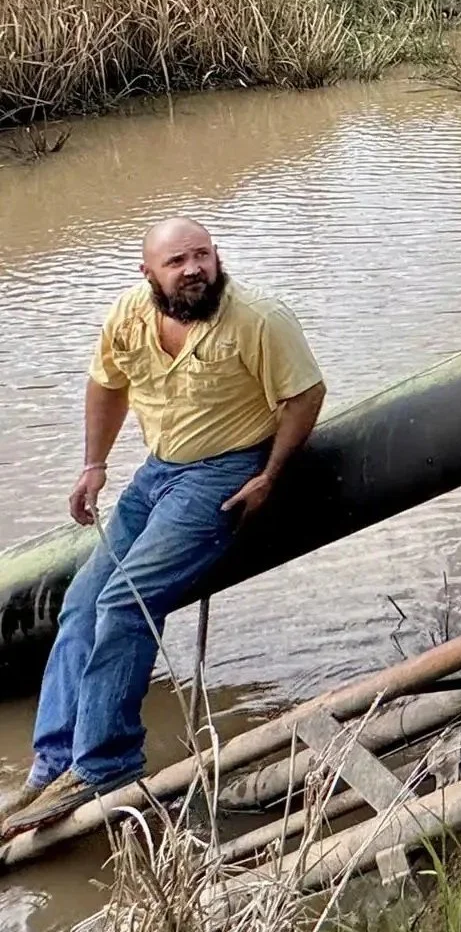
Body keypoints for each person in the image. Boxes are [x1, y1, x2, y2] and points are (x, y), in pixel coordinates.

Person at [1, 219, 325, 836]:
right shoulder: (130, 315)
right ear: (148, 273)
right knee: (80, 602)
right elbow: (105, 385)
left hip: (222, 473)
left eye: (202, 255)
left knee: (127, 602)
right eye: (177, 260)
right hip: (158, 472)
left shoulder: (258, 318)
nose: (194, 268)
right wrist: (94, 466)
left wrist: (271, 474)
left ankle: (106, 763)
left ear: (217, 258)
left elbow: (305, 395)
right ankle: (51, 765)